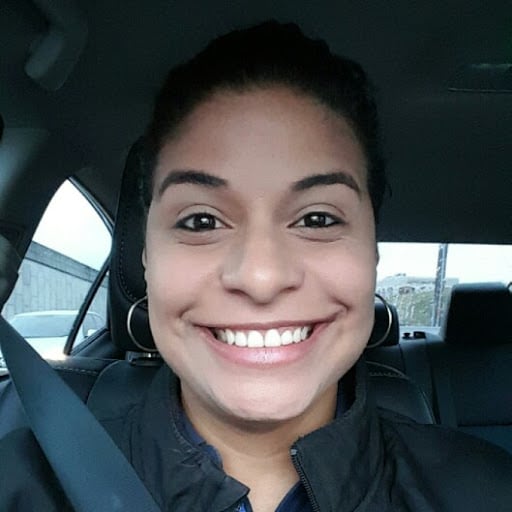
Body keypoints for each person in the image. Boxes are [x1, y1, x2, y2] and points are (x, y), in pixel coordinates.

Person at [1, 20, 512, 512]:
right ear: (146, 257)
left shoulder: (489, 493)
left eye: (317, 218)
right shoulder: (24, 486)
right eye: (201, 221)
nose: (261, 277)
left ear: (371, 253)